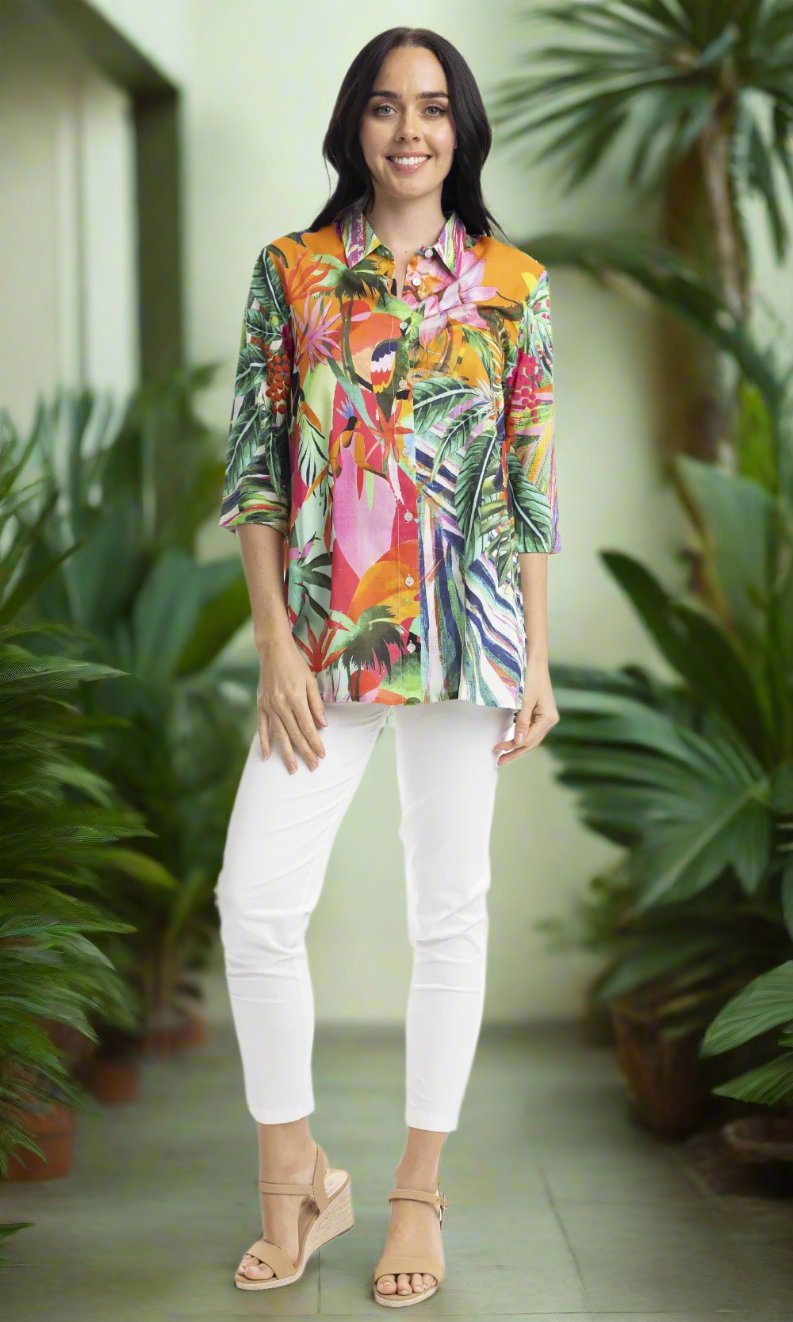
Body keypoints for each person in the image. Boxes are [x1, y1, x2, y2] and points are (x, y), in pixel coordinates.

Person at [214, 23, 561, 1310]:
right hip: (323, 639)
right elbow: (256, 470)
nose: (408, 130)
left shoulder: (516, 284)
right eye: (382, 106)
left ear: (460, 129)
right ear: (353, 128)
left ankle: (417, 1189)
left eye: (430, 107)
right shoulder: (293, 271)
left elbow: (527, 481)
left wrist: (537, 654)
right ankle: (295, 1172)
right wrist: (273, 642)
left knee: (447, 910)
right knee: (255, 902)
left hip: (470, 637)